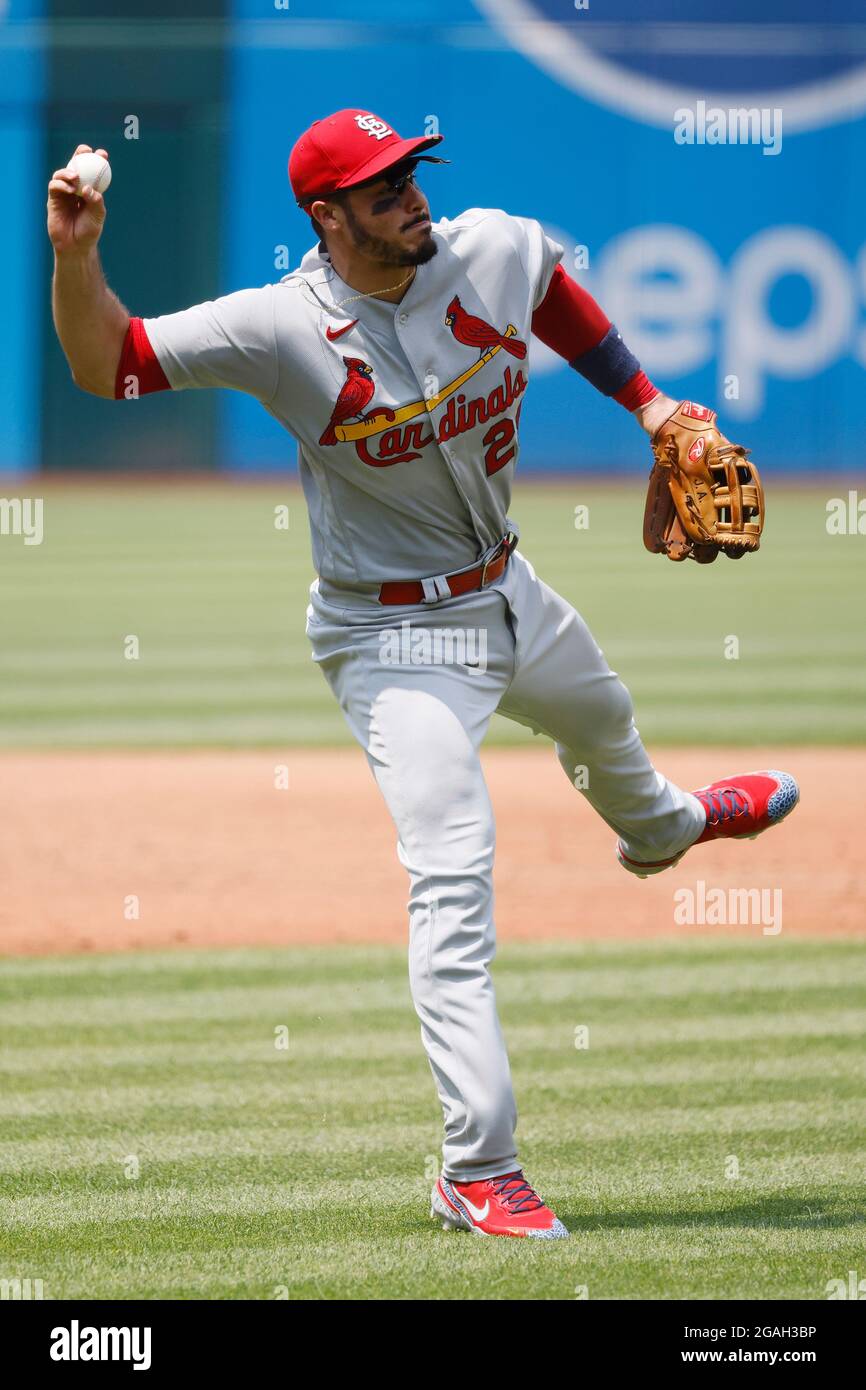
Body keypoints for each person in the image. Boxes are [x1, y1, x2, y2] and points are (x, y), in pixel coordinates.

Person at [49, 110, 799, 1241]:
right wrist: (76, 255)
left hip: (507, 588)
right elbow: (110, 364)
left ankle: (663, 829)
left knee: (601, 716)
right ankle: (476, 1168)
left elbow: (550, 287)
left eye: (410, 171)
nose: (411, 193)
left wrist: (646, 404)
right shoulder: (275, 326)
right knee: (453, 874)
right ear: (327, 214)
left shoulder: (487, 248)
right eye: (382, 183)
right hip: (389, 642)